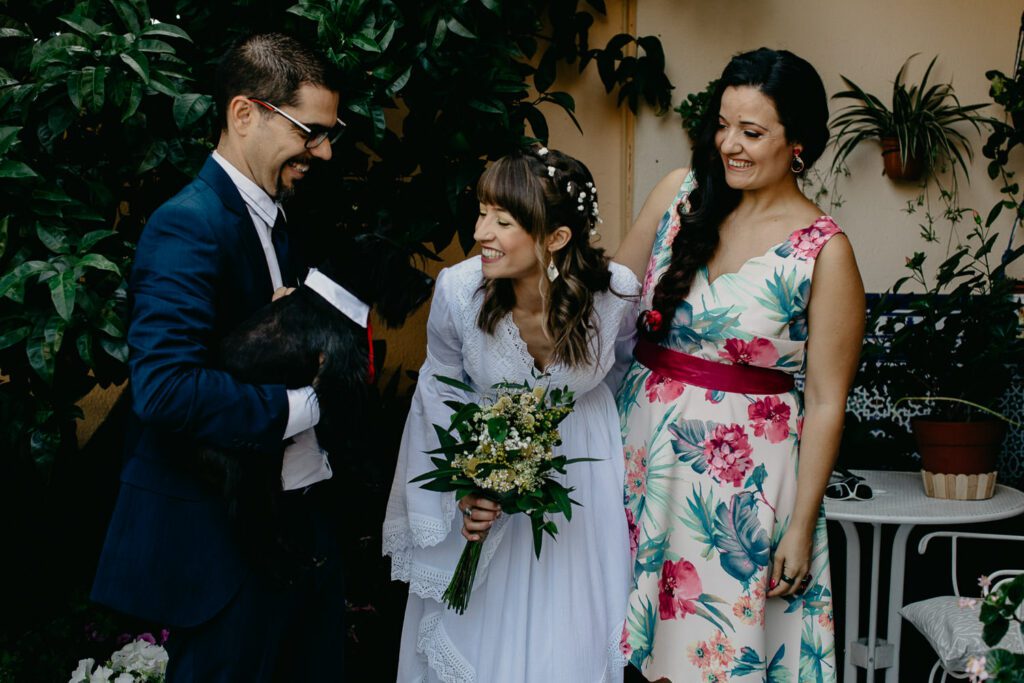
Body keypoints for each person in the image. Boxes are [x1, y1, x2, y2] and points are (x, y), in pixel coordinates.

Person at [91, 33, 347, 681]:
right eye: (310, 130)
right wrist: (302, 404)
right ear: (244, 114)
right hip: (218, 551)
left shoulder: (280, 221)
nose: (323, 149)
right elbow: (166, 389)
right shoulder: (189, 224)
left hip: (291, 534)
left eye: (329, 132)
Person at [613, 48, 864, 682]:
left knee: (709, 658)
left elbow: (829, 400)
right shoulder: (679, 193)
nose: (729, 145)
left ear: (798, 142)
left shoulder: (823, 252)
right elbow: (606, 299)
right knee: (603, 635)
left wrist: (800, 527)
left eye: (752, 132)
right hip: (633, 452)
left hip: (738, 490)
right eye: (722, 125)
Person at [384, 146, 640, 682]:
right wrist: (467, 483)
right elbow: (441, 395)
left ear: (556, 238)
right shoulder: (458, 291)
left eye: (502, 220)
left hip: (583, 480)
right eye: (481, 212)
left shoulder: (613, 295)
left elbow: (624, 377)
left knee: (568, 637)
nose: (481, 232)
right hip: (484, 472)